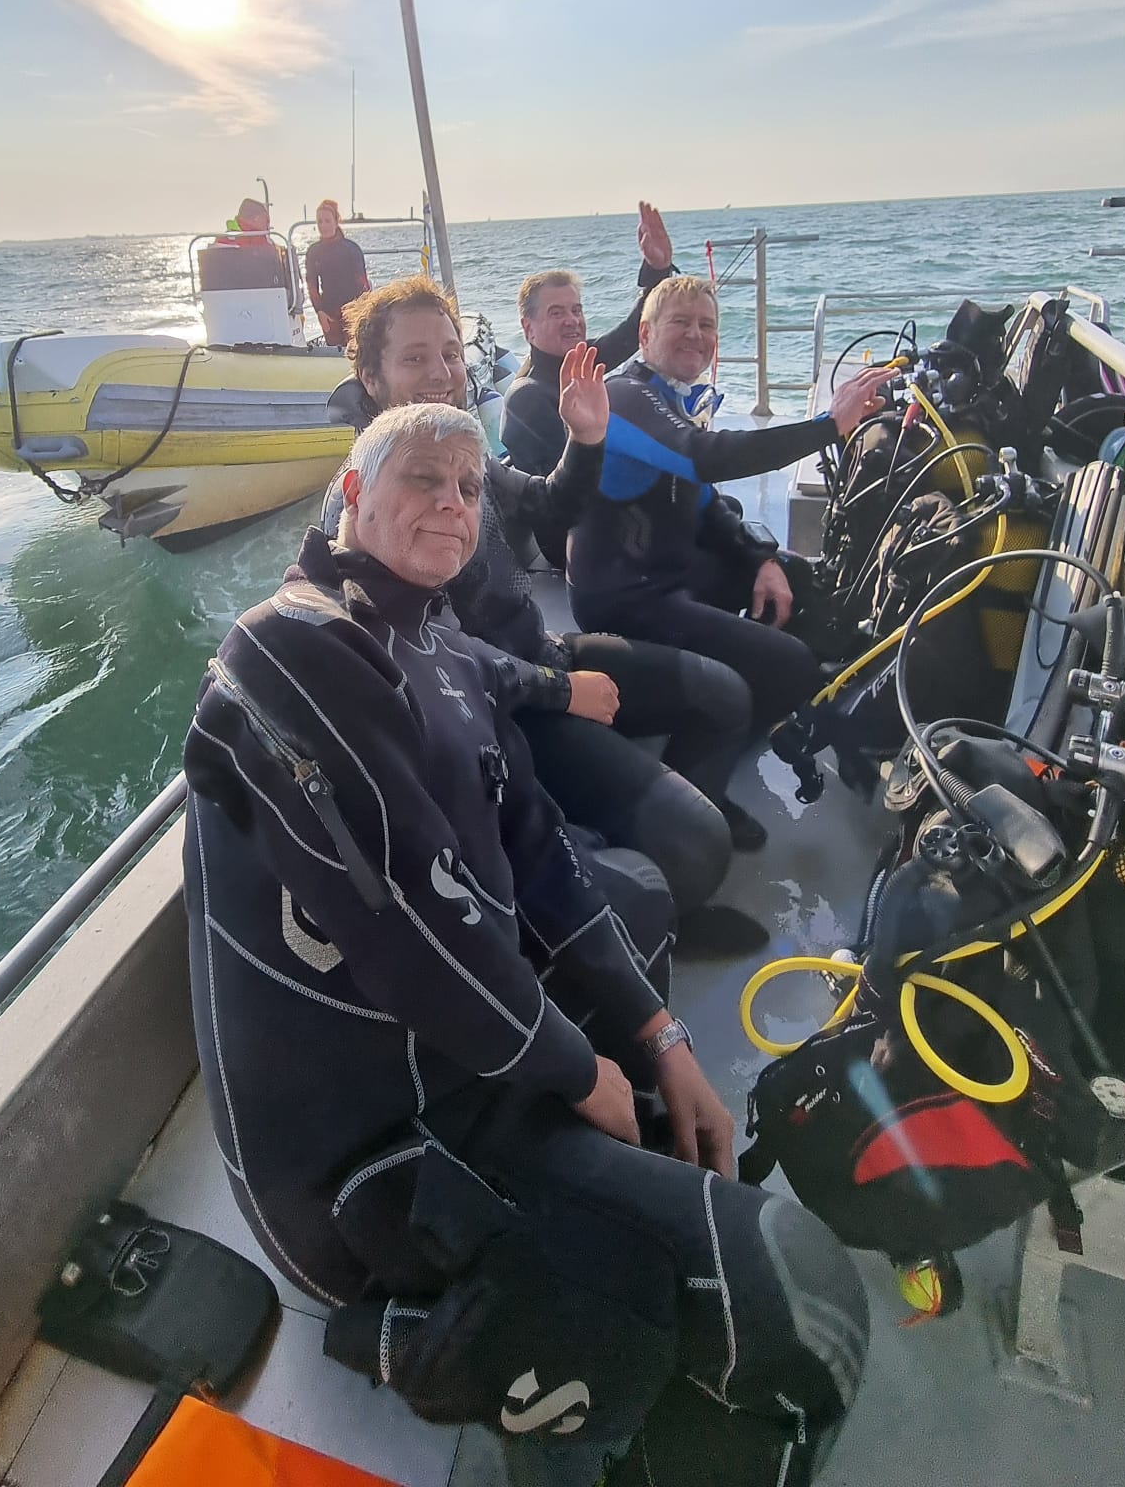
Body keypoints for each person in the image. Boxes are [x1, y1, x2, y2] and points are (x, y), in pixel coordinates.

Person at [183, 401, 868, 1487]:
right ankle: (497, 1363)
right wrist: (579, 1068)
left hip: (465, 1064)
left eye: (468, 487)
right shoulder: (287, 649)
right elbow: (412, 929)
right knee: (806, 1305)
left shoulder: (437, 640)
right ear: (352, 493)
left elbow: (538, 853)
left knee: (639, 922)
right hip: (363, 1158)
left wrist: (660, 1038)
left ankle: (586, 1291)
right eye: (423, 479)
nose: (453, 504)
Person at [324, 274, 771, 947]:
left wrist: (586, 439)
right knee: (698, 846)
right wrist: (560, 692)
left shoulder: (460, 449)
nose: (441, 372)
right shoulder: (365, 505)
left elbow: (551, 504)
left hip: (541, 654)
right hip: (495, 718)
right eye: (415, 357)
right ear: (370, 378)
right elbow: (427, 661)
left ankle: (650, 821)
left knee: (724, 696)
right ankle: (655, 900)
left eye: (451, 353)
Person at [569, 275, 893, 737]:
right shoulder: (621, 397)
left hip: (674, 572)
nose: (696, 334)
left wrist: (760, 558)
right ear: (645, 334)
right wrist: (828, 425)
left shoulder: (675, 397)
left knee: (804, 581)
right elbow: (703, 457)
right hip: (625, 599)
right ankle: (729, 730)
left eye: (707, 325)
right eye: (680, 322)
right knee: (793, 667)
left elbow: (705, 501)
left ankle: (767, 678)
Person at [502, 201, 675, 481]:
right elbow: (564, 487)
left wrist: (658, 269)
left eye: (576, 310)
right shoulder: (528, 398)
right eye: (556, 312)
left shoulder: (579, 363)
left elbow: (629, 333)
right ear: (528, 327)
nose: (572, 320)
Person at [203, 195, 295, 302]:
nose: (268, 225)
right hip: (264, 300)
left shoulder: (220, 243)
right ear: (257, 218)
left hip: (227, 302)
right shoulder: (263, 243)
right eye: (267, 220)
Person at [304, 198, 371, 345]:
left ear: (336, 221)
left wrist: (363, 312)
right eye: (320, 221)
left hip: (354, 310)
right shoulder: (313, 252)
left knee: (355, 350)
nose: (323, 225)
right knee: (334, 351)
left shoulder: (351, 249)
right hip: (329, 312)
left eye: (327, 221)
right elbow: (312, 285)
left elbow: (363, 283)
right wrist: (319, 311)